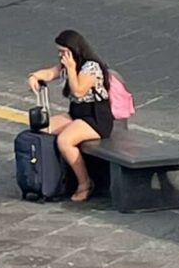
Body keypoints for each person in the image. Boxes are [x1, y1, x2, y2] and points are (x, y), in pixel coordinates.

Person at [27, 27, 115, 203]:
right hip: (77, 113)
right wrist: (34, 76)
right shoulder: (66, 65)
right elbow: (51, 73)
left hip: (95, 117)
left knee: (65, 141)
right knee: (44, 128)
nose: (61, 56)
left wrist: (72, 68)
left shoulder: (91, 68)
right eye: (59, 52)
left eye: (63, 52)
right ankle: (57, 176)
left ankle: (84, 183)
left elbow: (79, 90)